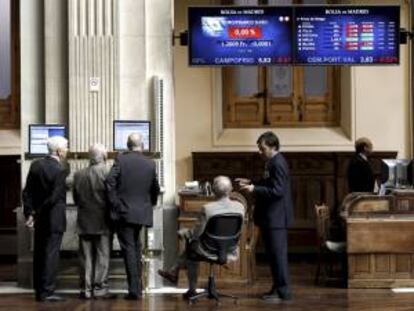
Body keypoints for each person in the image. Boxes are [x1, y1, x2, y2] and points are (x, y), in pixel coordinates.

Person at [157, 176, 245, 300]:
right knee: (191, 247)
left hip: (208, 249)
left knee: (191, 248)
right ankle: (173, 271)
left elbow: (196, 233)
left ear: (213, 190)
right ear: (230, 189)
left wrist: (184, 232)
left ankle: (190, 288)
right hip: (230, 248)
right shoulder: (240, 207)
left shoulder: (208, 208)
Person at [236, 131, 293, 302]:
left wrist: (254, 190)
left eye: (262, 149)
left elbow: (277, 191)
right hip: (271, 218)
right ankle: (277, 288)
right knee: (274, 256)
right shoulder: (271, 162)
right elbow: (268, 183)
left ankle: (284, 292)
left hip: (276, 218)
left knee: (278, 256)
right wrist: (251, 182)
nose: (260, 152)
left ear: (273, 146)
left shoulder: (278, 163)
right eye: (259, 149)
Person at [106, 133, 160, 300]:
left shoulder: (121, 160)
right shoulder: (150, 163)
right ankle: (139, 287)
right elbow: (155, 188)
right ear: (141, 145)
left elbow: (109, 181)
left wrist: (115, 203)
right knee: (136, 248)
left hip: (124, 212)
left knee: (129, 249)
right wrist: (150, 203)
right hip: (142, 212)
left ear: (127, 145)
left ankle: (135, 291)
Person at [22, 136, 69, 302]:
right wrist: (37, 213)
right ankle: (47, 291)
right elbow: (54, 197)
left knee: (39, 253)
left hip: (40, 219)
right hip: (53, 218)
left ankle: (38, 290)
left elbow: (27, 192)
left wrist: (30, 213)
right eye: (66, 147)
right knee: (51, 255)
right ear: (58, 151)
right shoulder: (60, 170)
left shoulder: (36, 165)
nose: (67, 150)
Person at [73, 143, 113, 299]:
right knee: (103, 256)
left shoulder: (78, 174)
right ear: (104, 156)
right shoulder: (108, 172)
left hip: (84, 220)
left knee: (85, 257)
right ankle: (100, 289)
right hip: (103, 221)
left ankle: (85, 289)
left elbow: (76, 199)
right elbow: (112, 198)